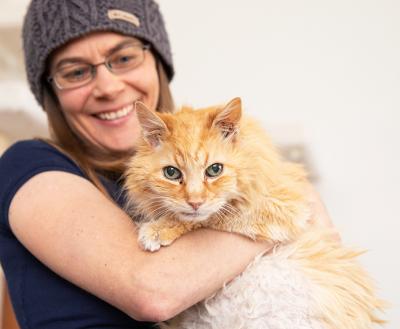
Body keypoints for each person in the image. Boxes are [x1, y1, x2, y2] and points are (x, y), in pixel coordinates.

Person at [0, 1, 334, 328]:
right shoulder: (27, 164)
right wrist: (286, 209)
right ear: (50, 92)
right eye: (75, 72)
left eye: (125, 57)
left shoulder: (195, 158)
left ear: (157, 61)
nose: (108, 87)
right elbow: (153, 291)